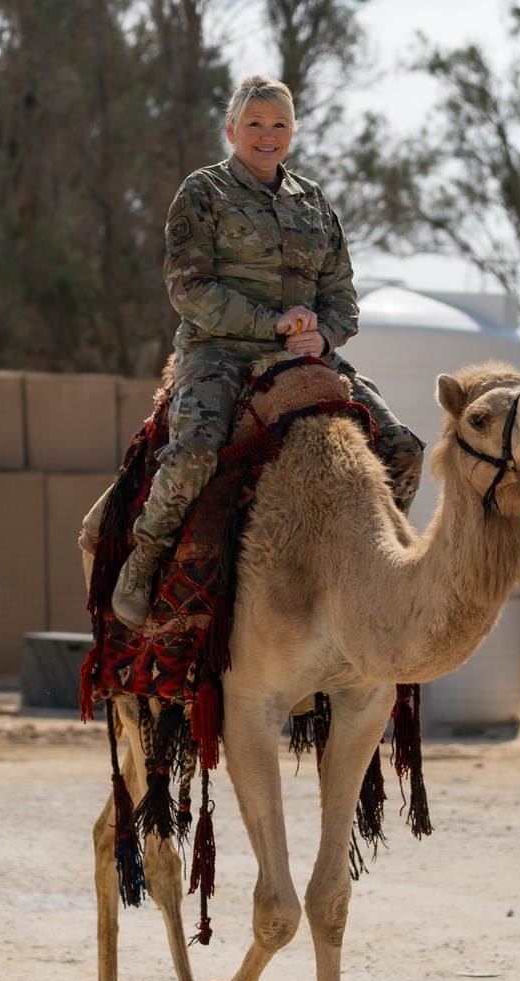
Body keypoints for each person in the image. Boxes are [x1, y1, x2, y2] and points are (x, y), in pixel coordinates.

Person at [112, 75, 424, 630]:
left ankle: (373, 573)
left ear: (293, 133)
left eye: (279, 124)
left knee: (403, 449)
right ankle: (145, 559)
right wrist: (270, 324)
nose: (267, 134)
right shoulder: (202, 192)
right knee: (196, 452)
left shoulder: (313, 201)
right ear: (232, 130)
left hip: (305, 357)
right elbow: (188, 287)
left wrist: (323, 335)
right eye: (254, 123)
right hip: (220, 352)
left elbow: (342, 294)